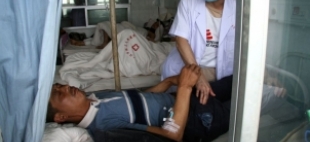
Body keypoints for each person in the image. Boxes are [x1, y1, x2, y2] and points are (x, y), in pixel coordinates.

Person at [47, 64, 233, 141]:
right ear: (61, 116)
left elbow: (140, 100)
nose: (64, 87)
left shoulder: (95, 98)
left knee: (240, 80)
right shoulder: (103, 128)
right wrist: (184, 88)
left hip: (185, 98)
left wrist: (169, 82)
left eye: (58, 85)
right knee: (249, 103)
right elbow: (171, 135)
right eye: (58, 93)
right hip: (196, 118)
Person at [161, 0, 236, 105]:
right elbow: (181, 39)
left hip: (219, 72)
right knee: (175, 109)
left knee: (203, 112)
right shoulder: (189, 2)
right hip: (186, 67)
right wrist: (199, 76)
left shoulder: (236, 10)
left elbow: (247, 45)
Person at [69, 20, 164, 49]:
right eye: (155, 23)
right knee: (104, 28)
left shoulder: (153, 33)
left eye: (157, 24)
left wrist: (154, 28)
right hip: (128, 28)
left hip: (131, 33)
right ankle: (84, 42)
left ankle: (84, 43)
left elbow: (151, 40)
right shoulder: (146, 27)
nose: (154, 24)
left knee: (104, 25)